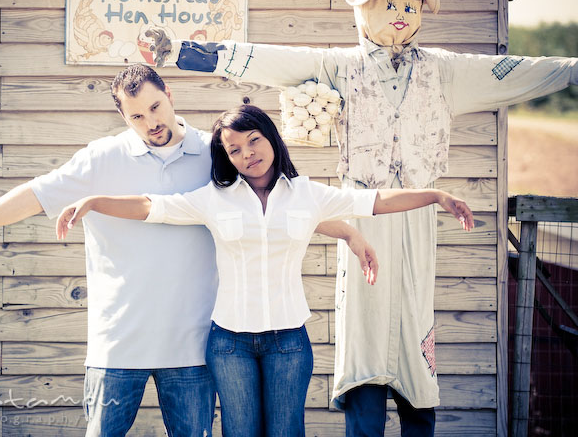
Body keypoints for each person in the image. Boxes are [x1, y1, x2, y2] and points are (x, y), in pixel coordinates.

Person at [145, 0, 578, 435]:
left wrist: (571, 72)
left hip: (415, 216)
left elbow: (509, 73)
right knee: (364, 332)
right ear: (364, 12)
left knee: (414, 326)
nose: (401, 14)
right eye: (390, 4)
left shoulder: (444, 71)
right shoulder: (340, 67)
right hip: (361, 211)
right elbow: (272, 60)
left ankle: (417, 416)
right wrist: (190, 53)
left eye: (411, 6)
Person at [0, 64, 378, 437]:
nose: (151, 123)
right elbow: (35, 194)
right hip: (117, 345)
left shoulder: (215, 152)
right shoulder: (100, 158)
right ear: (123, 117)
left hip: (192, 346)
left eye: (155, 107)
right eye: (136, 116)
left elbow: (274, 207)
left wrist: (349, 234)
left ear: (168, 94)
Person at [54, 104, 474, 437]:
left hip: (289, 343)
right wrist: (92, 201)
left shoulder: (308, 194)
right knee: (240, 433)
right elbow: (149, 206)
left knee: (286, 432)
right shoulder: (213, 199)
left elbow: (377, 201)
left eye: (253, 141)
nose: (247, 154)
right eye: (234, 150)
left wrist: (437, 196)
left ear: (271, 138)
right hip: (229, 345)